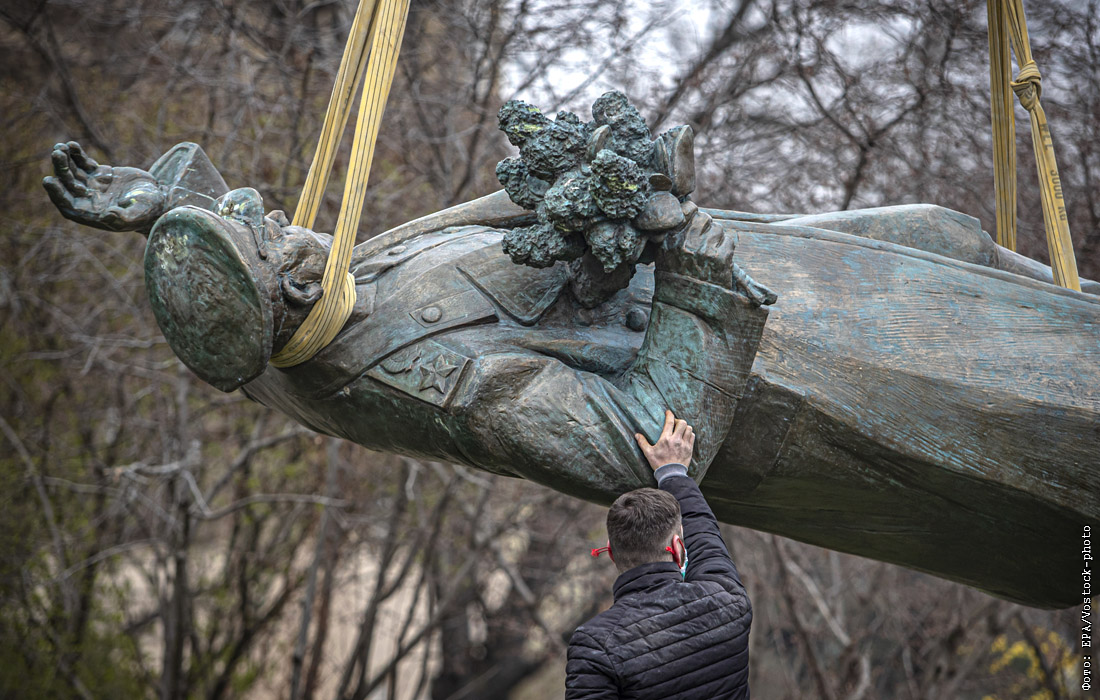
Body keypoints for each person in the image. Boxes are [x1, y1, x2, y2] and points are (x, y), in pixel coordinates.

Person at [44, 139, 1097, 608]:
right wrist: (697, 283)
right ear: (280, 293)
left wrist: (168, 206)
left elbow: (242, 314)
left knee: (942, 234)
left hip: (771, 274)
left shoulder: (313, 309)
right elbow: (632, 447)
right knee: (1059, 403)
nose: (280, 215)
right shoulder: (418, 377)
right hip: (788, 374)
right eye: (266, 234)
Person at [567, 411, 751, 699]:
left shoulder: (594, 645)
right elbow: (705, 536)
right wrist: (672, 473)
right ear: (678, 548)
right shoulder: (728, 601)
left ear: (612, 553)